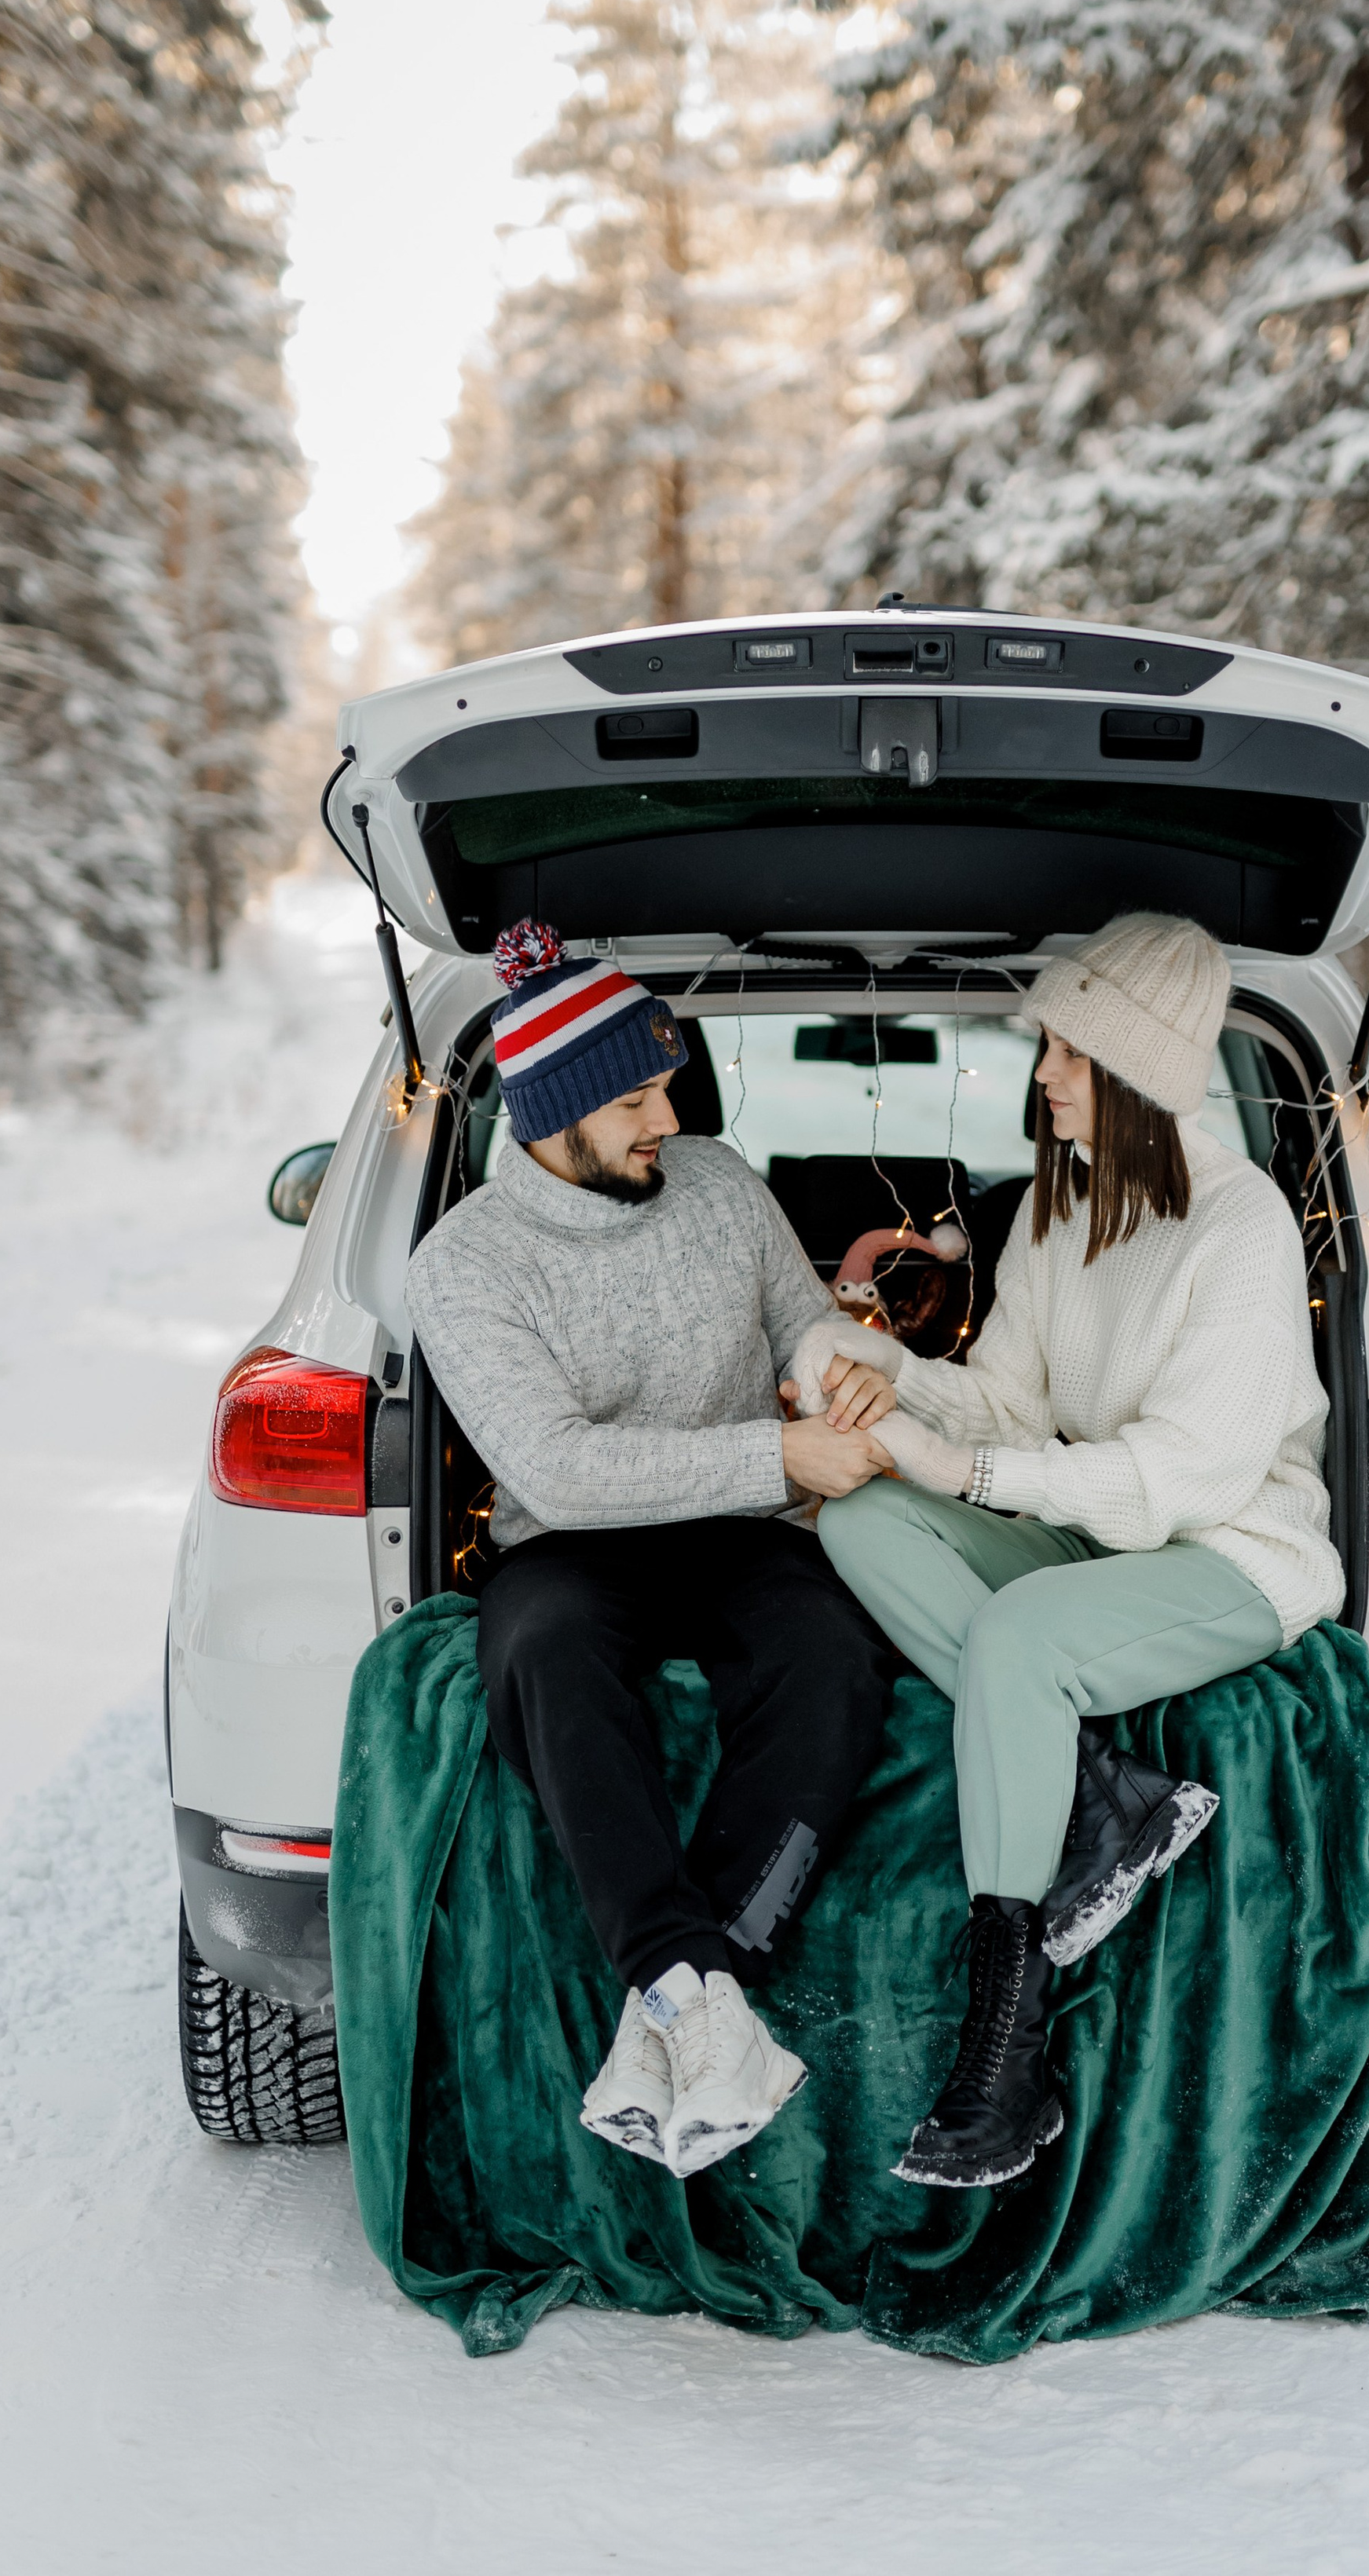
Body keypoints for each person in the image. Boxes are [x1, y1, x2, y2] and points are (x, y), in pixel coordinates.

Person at [807, 913, 1343, 2191]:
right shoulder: (1063, 1205)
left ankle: (1006, 2056)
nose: (1042, 1071)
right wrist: (875, 1369)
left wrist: (975, 1475)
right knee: (856, 1516)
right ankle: (1106, 1798)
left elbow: (1182, 1478)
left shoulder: (1242, 1225)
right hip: (1095, 1520)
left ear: (1138, 1072)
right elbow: (1001, 1400)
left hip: (1232, 1548)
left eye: (1066, 1049)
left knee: (1023, 1635)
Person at [404, 920, 895, 2183]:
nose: (666, 1117)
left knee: (832, 1655)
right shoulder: (462, 1267)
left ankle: (688, 1994)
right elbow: (558, 1467)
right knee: (545, 1653)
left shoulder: (722, 1183)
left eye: (666, 1087)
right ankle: (692, 1986)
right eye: (632, 1098)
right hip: (574, 1544)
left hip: (743, 1535)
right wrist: (777, 1457)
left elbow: (798, 1319)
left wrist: (828, 1381)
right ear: (551, 1112)